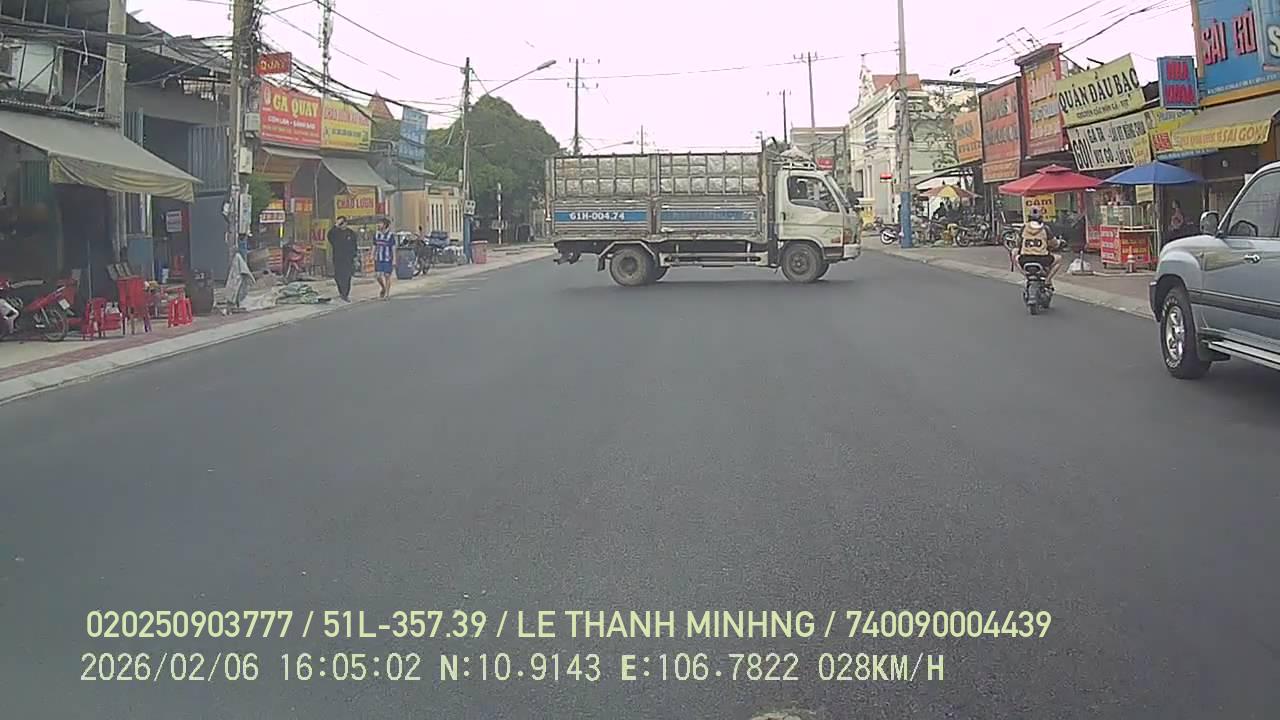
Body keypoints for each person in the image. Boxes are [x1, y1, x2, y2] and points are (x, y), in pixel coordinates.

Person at [1016, 207, 1062, 289]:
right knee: (1059, 259)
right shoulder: (1045, 229)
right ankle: (1048, 280)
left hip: (1025, 259)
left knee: (1015, 257)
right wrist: (1059, 243)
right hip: (1042, 259)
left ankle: (1026, 277)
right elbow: (1054, 244)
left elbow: (1018, 242)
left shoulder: (1023, 228)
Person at [327, 216, 357, 302]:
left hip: (348, 259)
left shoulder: (351, 233)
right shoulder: (336, 233)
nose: (341, 225)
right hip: (338, 258)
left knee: (347, 277)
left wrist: (354, 257)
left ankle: (345, 294)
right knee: (338, 277)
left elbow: (354, 245)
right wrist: (336, 226)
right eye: (339, 223)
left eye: (342, 223)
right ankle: (341, 292)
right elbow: (329, 236)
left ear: (346, 223)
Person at [372, 217, 396, 299]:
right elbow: (374, 245)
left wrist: (394, 259)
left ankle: (387, 294)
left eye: (380, 223)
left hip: (387, 258)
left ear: (385, 225)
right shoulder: (376, 234)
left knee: (387, 275)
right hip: (378, 258)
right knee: (378, 275)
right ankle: (383, 287)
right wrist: (372, 254)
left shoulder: (390, 235)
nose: (379, 225)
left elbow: (393, 247)